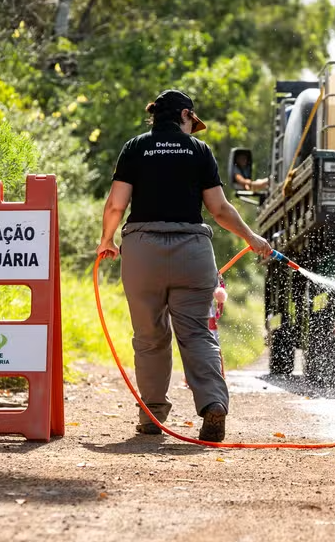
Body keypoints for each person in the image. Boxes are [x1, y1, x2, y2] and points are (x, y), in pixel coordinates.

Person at [96, 89, 272, 442]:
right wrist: (252, 237)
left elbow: (116, 204)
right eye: (194, 122)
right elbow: (219, 209)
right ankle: (212, 405)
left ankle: (151, 416)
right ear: (186, 115)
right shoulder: (199, 151)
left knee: (149, 338)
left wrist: (107, 240)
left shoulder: (135, 148)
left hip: (142, 251)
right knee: (196, 333)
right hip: (192, 251)